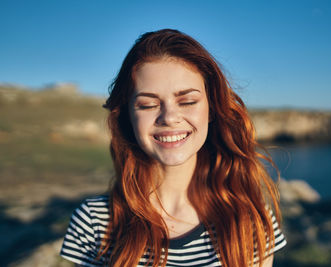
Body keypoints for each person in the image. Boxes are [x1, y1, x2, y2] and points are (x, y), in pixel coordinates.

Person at [60, 29, 286, 267]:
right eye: (147, 105)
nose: (169, 117)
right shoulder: (96, 222)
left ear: (212, 109)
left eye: (187, 101)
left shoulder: (249, 218)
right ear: (128, 118)